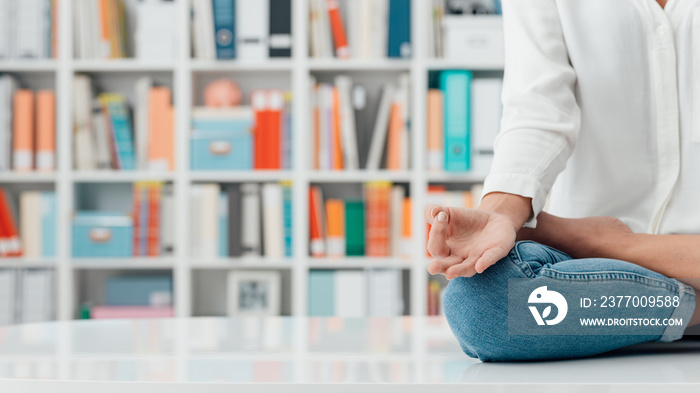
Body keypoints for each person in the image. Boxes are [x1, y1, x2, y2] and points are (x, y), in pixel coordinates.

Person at [426, 0, 700, 361]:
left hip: (604, 260)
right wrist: (501, 214)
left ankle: (609, 248)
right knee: (483, 304)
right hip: (598, 272)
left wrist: (605, 243)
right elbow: (537, 106)